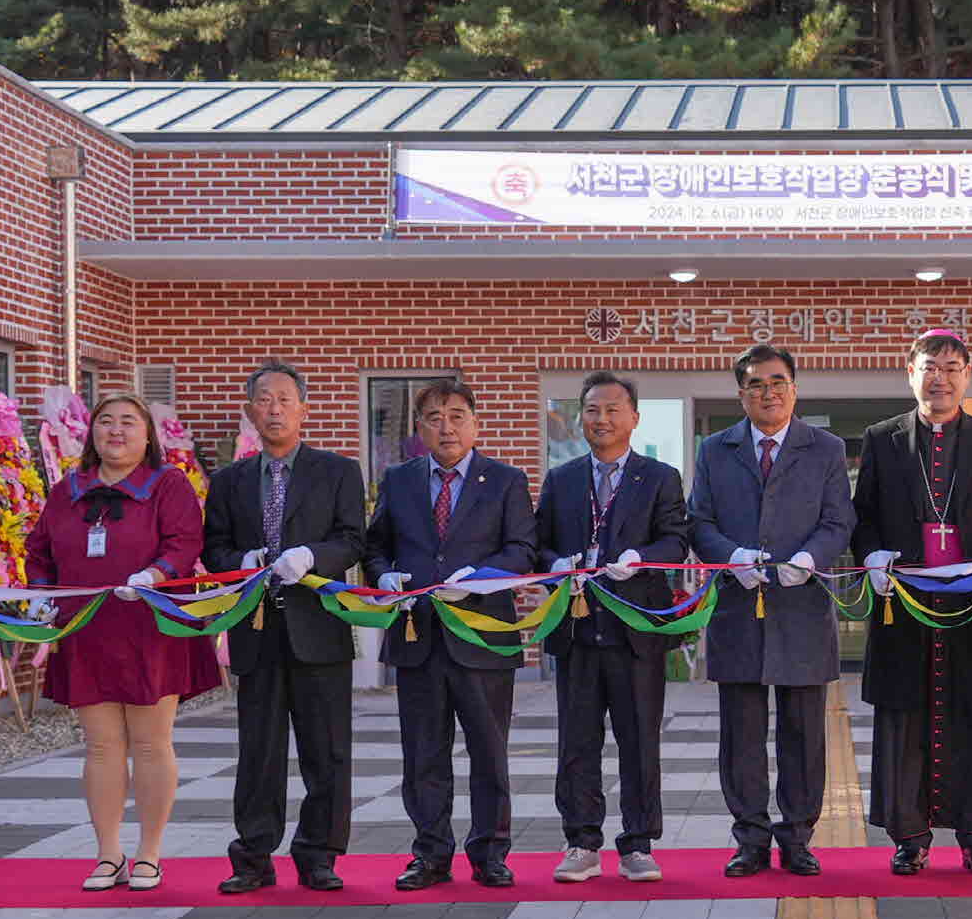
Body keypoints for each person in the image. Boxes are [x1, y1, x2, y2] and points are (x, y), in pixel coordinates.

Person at [25, 394, 225, 892]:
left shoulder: (168, 484)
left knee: (151, 743)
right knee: (101, 745)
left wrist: (155, 575)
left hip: (149, 629)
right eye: (106, 422)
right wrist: (40, 594)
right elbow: (40, 549)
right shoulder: (67, 489)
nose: (116, 431)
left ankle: (149, 854)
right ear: (91, 433)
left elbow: (185, 543)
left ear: (147, 435)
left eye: (128, 423)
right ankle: (107, 854)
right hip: (87, 631)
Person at [853, 331, 972, 875]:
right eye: (930, 367)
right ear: (910, 374)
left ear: (968, 375)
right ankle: (910, 836)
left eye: (952, 368)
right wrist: (872, 556)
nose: (941, 377)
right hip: (904, 604)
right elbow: (861, 517)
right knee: (906, 717)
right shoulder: (882, 439)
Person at [688, 344, 855, 878]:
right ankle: (751, 839)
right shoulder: (716, 449)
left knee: (804, 732)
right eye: (756, 384)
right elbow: (699, 522)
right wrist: (729, 557)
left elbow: (838, 521)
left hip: (802, 607)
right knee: (741, 732)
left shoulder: (824, 448)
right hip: (738, 607)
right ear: (741, 394)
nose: (768, 392)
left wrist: (811, 557)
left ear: (794, 388)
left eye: (777, 381)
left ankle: (799, 836)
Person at [365, 377, 538, 890]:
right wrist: (384, 575)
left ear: (476, 422)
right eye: (435, 417)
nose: (447, 426)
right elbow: (375, 547)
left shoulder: (505, 480)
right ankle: (430, 853)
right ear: (419, 428)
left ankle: (490, 852)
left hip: (482, 634)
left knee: (489, 751)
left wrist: (480, 579)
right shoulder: (398, 480)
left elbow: (523, 551)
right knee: (423, 753)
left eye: (457, 415)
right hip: (419, 635)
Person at [202, 361, 366, 894]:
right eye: (264, 400)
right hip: (256, 630)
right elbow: (214, 548)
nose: (274, 409)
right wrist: (243, 558)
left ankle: (319, 854)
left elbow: (353, 540)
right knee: (259, 751)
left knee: (327, 750)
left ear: (303, 409)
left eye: (284, 400)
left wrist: (312, 557)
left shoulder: (338, 471)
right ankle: (253, 854)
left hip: (318, 629)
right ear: (250, 411)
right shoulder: (228, 481)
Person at [535, 371, 690, 884]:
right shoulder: (562, 479)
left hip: (635, 633)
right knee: (576, 741)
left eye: (612, 410)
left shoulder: (660, 477)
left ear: (634, 418)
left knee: (639, 740)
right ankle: (581, 841)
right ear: (580, 418)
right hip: (578, 632)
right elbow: (540, 545)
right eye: (593, 410)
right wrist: (556, 563)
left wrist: (640, 559)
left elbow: (675, 542)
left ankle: (638, 843)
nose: (602, 419)